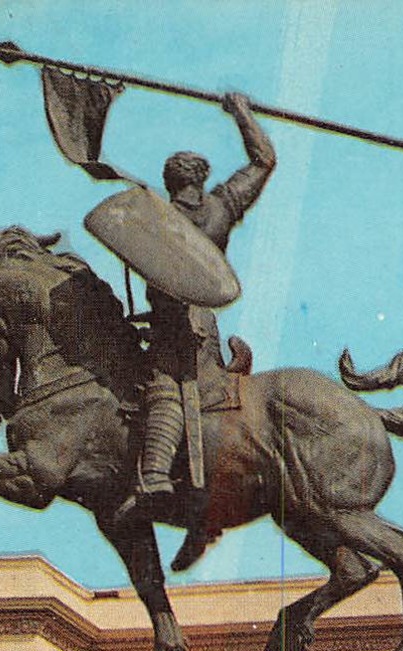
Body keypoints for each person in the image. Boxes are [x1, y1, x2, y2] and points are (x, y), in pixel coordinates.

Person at [136, 91, 275, 503]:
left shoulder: (157, 217)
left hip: (176, 323)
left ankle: (157, 472)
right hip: (206, 323)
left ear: (170, 182)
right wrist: (243, 113)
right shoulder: (222, 206)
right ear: (200, 178)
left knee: (166, 384)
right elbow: (264, 161)